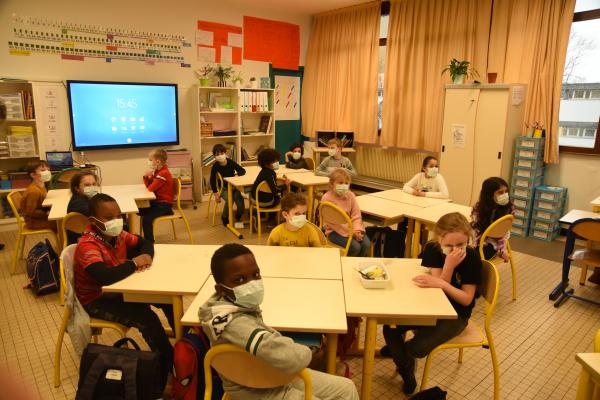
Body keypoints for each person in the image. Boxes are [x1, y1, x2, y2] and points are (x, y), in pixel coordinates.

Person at [199, 243, 359, 400]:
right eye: (239, 280)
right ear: (221, 289)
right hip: (253, 389)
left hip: (269, 374)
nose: (251, 283)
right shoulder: (234, 325)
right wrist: (307, 352)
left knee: (347, 388)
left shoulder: (228, 304)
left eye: (255, 275)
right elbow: (288, 357)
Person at [73, 193, 174, 390]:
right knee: (147, 319)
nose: (116, 221)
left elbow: (144, 243)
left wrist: (146, 255)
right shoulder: (87, 245)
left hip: (118, 290)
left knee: (167, 299)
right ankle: (169, 364)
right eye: (109, 218)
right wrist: (134, 263)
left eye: (119, 216)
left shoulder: (117, 235)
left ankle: (186, 345)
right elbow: (105, 277)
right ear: (93, 221)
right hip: (96, 300)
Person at [382, 212, 482, 394]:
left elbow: (466, 299)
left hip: (457, 315)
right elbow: (438, 289)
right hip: (433, 305)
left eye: (460, 244)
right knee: (389, 327)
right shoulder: (434, 250)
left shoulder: (472, 258)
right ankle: (406, 368)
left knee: (417, 348)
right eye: (449, 246)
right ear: (439, 241)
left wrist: (447, 271)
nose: (455, 250)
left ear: (468, 239)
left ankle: (401, 356)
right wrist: (446, 272)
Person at [320, 168, 370, 256]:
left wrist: (357, 230)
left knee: (366, 244)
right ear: (332, 184)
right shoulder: (326, 198)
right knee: (355, 247)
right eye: (340, 183)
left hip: (352, 229)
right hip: (334, 231)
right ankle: (347, 264)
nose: (344, 185)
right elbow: (333, 223)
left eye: (346, 183)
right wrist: (351, 233)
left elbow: (356, 215)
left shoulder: (350, 195)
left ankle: (356, 264)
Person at [471, 177, 514, 261]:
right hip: (480, 241)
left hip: (493, 245)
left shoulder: (509, 208)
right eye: (500, 192)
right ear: (490, 194)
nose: (505, 195)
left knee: (473, 259)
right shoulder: (480, 209)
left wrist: (502, 249)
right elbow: (476, 230)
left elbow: (505, 232)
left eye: (506, 192)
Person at [140, 149, 174, 242]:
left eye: (150, 160)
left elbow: (150, 188)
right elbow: (149, 186)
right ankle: (168, 211)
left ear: (158, 161)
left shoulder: (163, 173)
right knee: (140, 210)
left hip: (163, 204)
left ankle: (149, 242)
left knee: (146, 219)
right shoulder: (158, 171)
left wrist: (148, 177)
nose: (149, 162)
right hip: (158, 202)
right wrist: (147, 177)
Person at [210, 143, 246, 226]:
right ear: (214, 156)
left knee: (240, 204)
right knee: (230, 200)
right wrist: (216, 194)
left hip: (233, 187)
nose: (220, 156)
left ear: (225, 153)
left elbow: (242, 170)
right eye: (217, 154)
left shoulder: (230, 162)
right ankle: (224, 217)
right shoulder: (215, 166)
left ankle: (238, 215)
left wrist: (237, 175)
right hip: (223, 188)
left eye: (222, 153)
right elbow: (212, 180)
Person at [20, 160, 56, 231]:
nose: (47, 172)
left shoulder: (42, 185)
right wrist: (47, 213)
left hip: (40, 218)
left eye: (48, 170)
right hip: (34, 222)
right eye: (43, 170)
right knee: (62, 222)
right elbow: (31, 212)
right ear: (33, 175)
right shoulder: (34, 191)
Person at [66, 171, 100, 244]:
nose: (92, 187)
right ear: (77, 188)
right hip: (83, 241)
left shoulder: (87, 198)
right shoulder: (78, 204)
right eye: (87, 185)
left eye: (94, 184)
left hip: (89, 236)